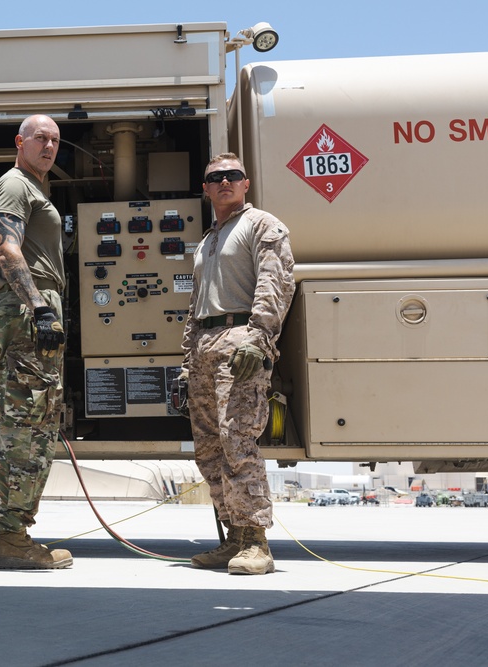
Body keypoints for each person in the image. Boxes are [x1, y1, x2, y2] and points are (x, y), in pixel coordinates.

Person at [180, 153, 295, 575]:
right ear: (206, 188)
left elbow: (276, 282)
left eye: (233, 175)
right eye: (215, 177)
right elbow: (195, 305)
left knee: (238, 441)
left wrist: (260, 338)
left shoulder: (262, 225)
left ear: (246, 183)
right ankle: (232, 538)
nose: (224, 181)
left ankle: (256, 542)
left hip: (239, 343)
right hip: (205, 347)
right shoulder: (209, 239)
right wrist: (186, 360)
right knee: (209, 449)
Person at [0, 114, 72, 569]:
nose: (49, 146)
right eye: (40, 137)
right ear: (19, 141)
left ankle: (14, 532)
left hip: (33, 311)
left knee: (38, 427)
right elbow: (6, 249)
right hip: (25, 311)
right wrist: (39, 306)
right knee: (25, 429)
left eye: (55, 140)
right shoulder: (14, 185)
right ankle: (11, 537)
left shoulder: (35, 188)